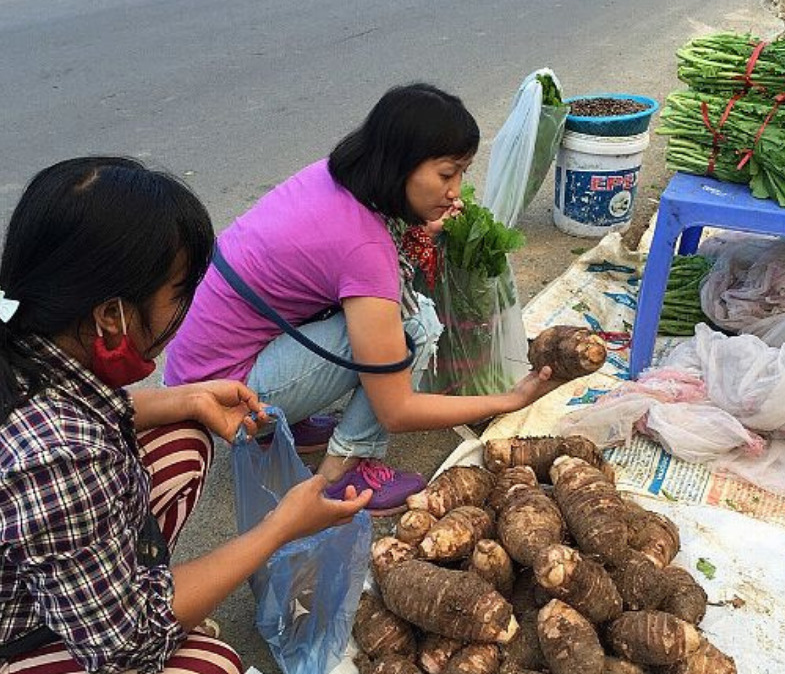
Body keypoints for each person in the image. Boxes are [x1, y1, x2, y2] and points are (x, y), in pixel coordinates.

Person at [0, 157, 372, 674]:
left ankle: (119, 603)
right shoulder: (57, 456)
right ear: (110, 315)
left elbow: (78, 402)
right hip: (19, 639)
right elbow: (127, 644)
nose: (184, 313)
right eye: (178, 294)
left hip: (35, 580)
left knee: (182, 437)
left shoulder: (25, 334)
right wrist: (280, 527)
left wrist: (189, 397)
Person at [164, 83, 562, 515]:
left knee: (368, 315)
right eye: (447, 173)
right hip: (222, 400)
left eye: (462, 173)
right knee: (416, 326)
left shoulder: (334, 178)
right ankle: (343, 471)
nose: (455, 190)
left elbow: (337, 262)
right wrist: (510, 400)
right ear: (400, 165)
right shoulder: (365, 249)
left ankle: (285, 426)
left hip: (196, 375)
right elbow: (396, 409)